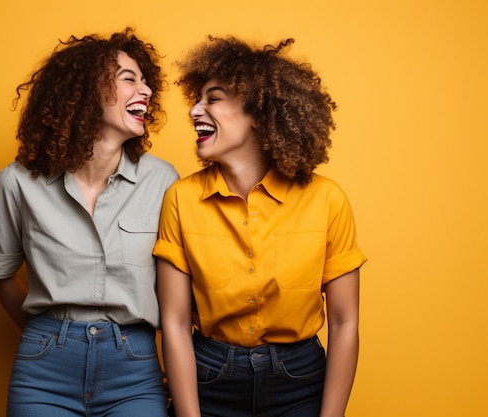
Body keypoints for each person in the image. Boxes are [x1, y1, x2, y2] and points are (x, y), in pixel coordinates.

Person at [154, 35, 367, 417]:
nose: (195, 111)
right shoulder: (181, 199)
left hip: (301, 381)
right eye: (197, 100)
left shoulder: (327, 199)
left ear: (259, 113)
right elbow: (173, 321)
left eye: (213, 99)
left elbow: (345, 320)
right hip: (209, 378)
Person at [0, 28, 179, 417]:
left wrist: (179, 364)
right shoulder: (16, 183)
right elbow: (0, 273)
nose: (146, 91)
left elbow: (179, 292)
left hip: (135, 367)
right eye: (129, 79)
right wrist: (47, 337)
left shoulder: (162, 181)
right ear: (87, 92)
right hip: (44, 369)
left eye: (145, 81)